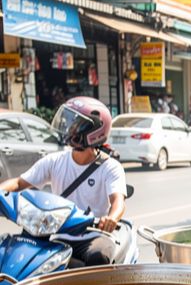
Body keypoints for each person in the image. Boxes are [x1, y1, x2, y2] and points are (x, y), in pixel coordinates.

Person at [0, 96, 127, 267]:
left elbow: (118, 202)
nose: (69, 128)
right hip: (54, 231)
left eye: (76, 124)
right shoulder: (54, 160)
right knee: (15, 253)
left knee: (99, 256)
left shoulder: (110, 167)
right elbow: (19, 183)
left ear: (94, 131)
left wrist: (111, 218)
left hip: (91, 235)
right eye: (69, 121)